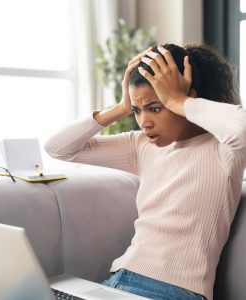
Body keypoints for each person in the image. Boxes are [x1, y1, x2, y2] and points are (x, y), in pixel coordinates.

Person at [44, 43, 246, 300]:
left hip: (174, 292)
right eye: (138, 110)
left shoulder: (223, 150)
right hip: (114, 281)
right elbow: (58, 148)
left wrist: (177, 100)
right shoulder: (141, 145)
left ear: (188, 97)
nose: (144, 122)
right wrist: (121, 107)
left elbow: (241, 128)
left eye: (155, 108)